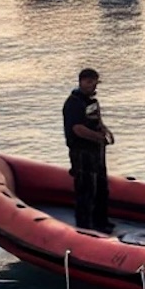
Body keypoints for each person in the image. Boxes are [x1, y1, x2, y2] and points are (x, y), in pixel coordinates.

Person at [62, 67, 115, 234]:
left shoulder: (91, 101)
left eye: (94, 82)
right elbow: (77, 129)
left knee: (101, 187)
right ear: (81, 82)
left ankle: (101, 221)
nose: (92, 85)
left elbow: (96, 120)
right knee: (86, 189)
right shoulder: (74, 103)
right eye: (89, 82)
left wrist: (105, 131)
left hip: (96, 151)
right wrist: (97, 137)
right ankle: (84, 225)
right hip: (82, 151)